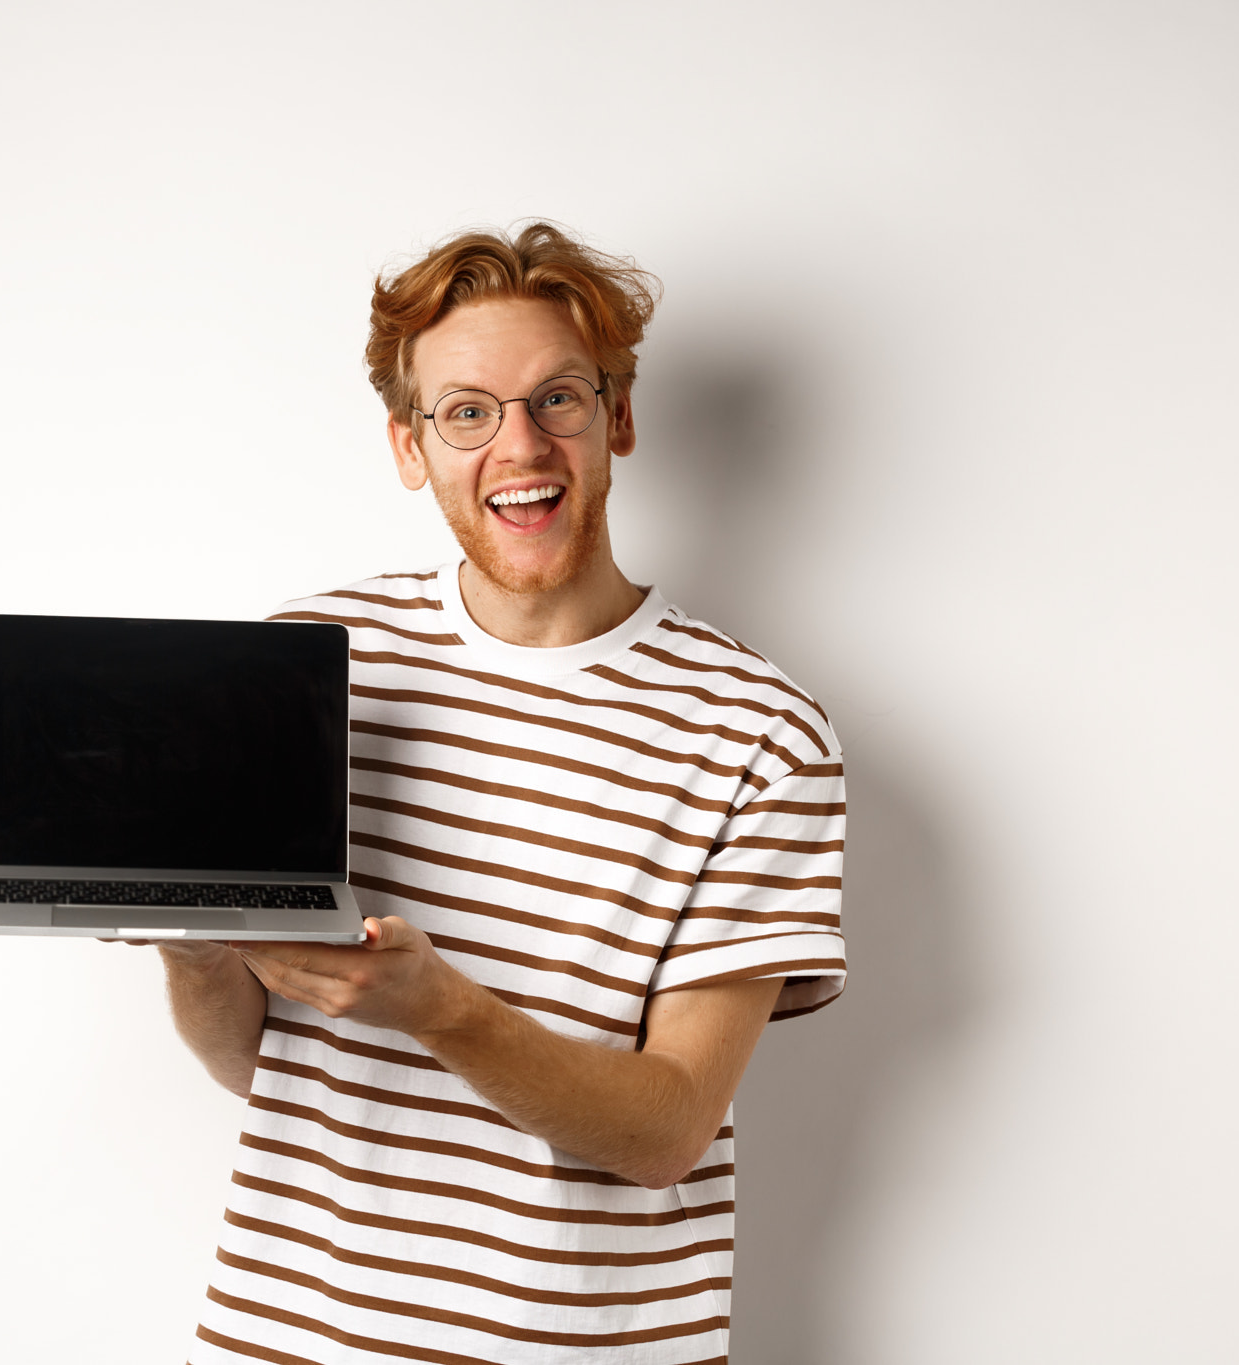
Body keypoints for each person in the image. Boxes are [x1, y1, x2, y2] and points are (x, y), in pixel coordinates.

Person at [155, 222, 846, 1364]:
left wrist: (442, 1009)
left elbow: (666, 1130)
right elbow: (260, 1066)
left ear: (616, 418)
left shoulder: (759, 733)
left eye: (555, 400)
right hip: (291, 1338)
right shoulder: (308, 665)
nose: (517, 445)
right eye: (466, 411)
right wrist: (191, 946)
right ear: (408, 446)